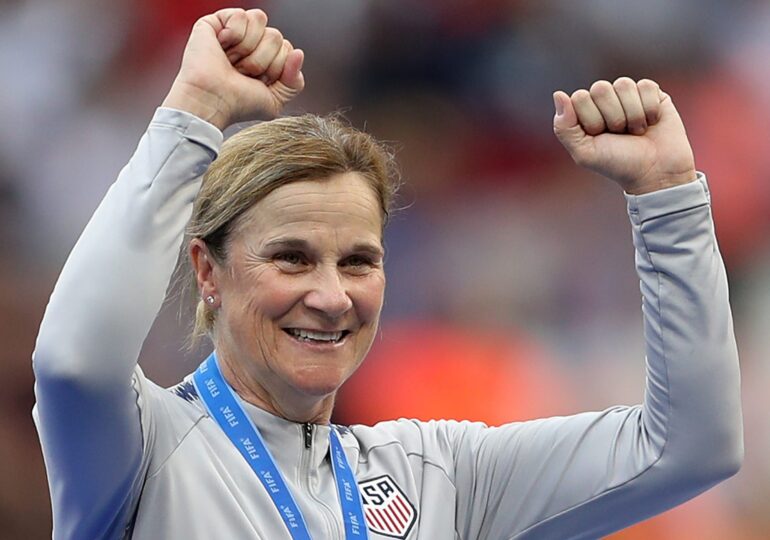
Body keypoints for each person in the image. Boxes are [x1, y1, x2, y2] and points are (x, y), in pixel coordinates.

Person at [32, 8, 743, 540]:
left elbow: (689, 446)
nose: (332, 295)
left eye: (359, 261)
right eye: (292, 257)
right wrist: (196, 112)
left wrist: (669, 195)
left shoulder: (441, 475)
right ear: (207, 272)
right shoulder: (144, 448)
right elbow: (74, 361)